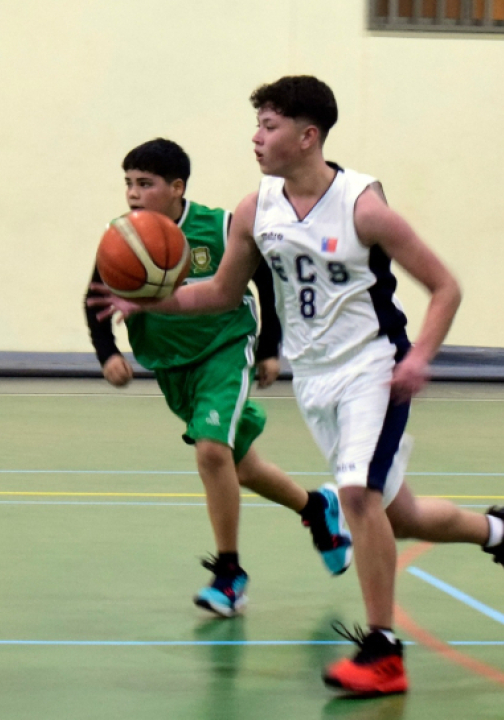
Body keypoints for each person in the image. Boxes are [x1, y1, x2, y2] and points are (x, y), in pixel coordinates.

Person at [90, 83, 504, 694]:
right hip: (315, 379)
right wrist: (149, 301)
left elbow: (445, 287)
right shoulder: (256, 209)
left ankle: (383, 651)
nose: (256, 137)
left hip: (373, 367)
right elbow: (222, 293)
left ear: (308, 137)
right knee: (396, 515)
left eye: (269, 125)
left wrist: (419, 358)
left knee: (356, 496)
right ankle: (503, 532)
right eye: (257, 124)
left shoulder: (363, 207)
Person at [84, 138, 354, 619]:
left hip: (225, 348)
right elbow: (96, 298)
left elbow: (266, 283)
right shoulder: (122, 238)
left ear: (177, 188)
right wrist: (107, 353)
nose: (133, 193)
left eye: (145, 183)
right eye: (128, 183)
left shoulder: (219, 226)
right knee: (239, 466)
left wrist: (269, 347)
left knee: (211, 451)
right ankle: (317, 509)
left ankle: (229, 574)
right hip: (171, 365)